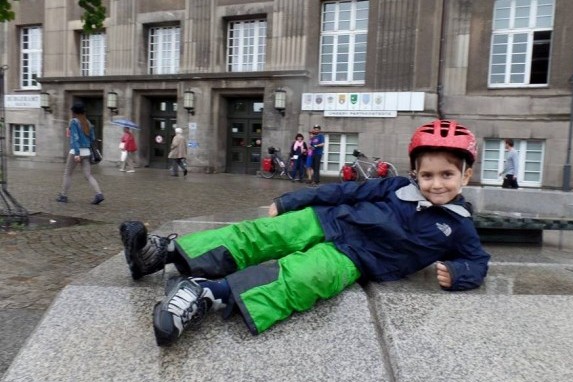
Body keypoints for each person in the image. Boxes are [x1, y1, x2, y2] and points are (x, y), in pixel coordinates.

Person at [119, 119, 490, 346]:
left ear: (466, 176)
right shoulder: (394, 187)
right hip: (328, 219)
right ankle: (159, 254)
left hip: (356, 258)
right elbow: (345, 191)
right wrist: (292, 201)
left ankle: (204, 293)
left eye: (447, 175)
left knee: (303, 277)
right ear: (415, 173)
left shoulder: (458, 226)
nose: (436, 183)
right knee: (260, 235)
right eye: (427, 174)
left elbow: (477, 260)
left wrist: (460, 272)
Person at [56, 103, 104, 205]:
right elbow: (92, 138)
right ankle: (99, 194)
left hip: (76, 152)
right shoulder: (87, 122)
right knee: (88, 175)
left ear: (74, 112)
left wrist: (77, 153)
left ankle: (63, 196)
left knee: (68, 174)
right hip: (87, 152)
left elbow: (75, 138)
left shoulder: (74, 122)